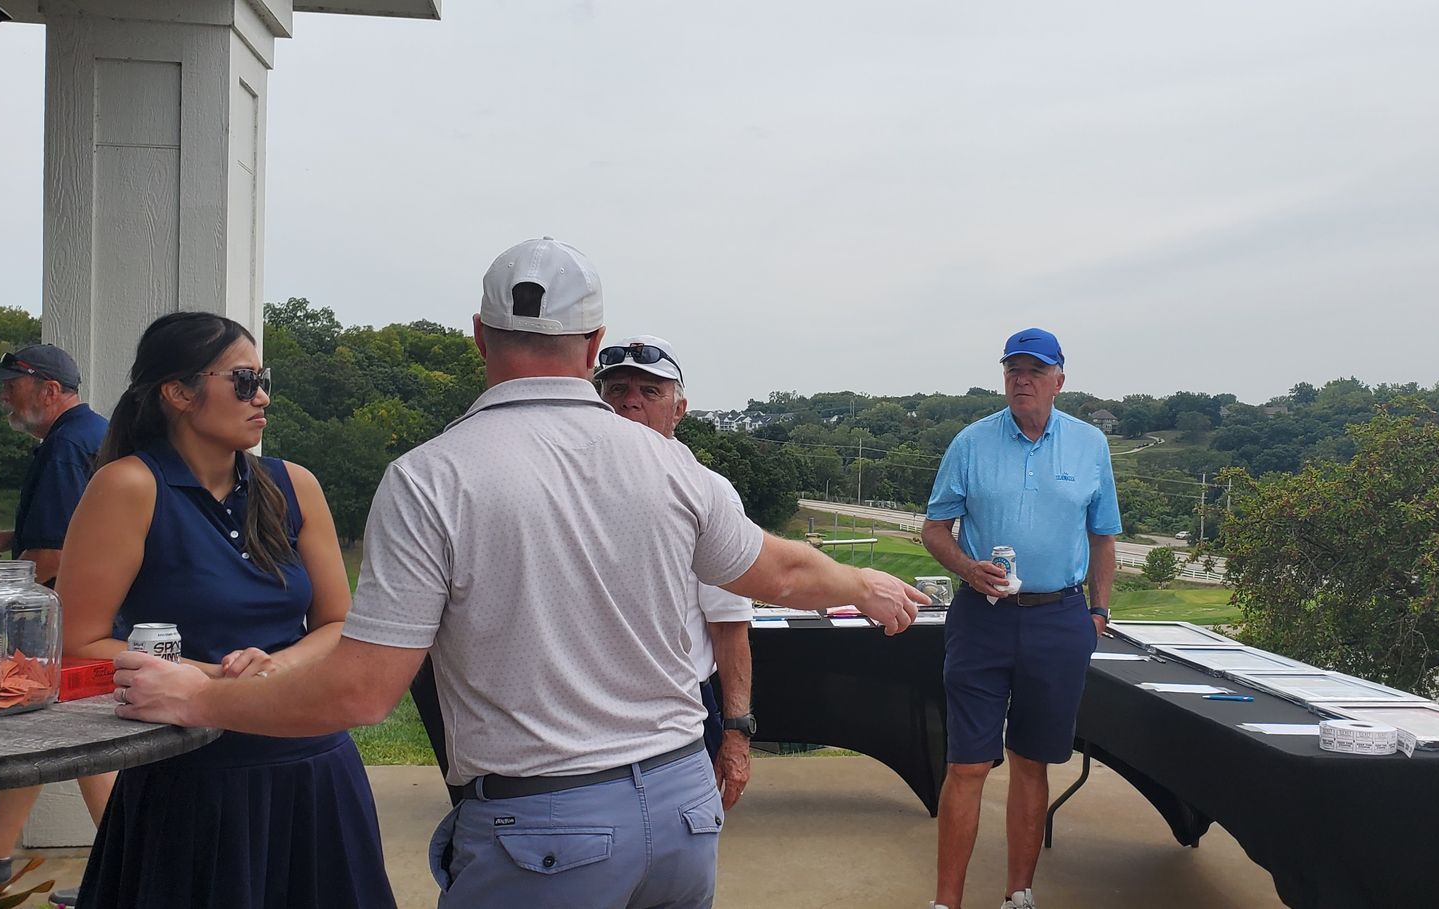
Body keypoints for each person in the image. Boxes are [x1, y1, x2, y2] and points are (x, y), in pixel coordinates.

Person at [108, 236, 928, 909]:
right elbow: (778, 570)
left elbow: (365, 691)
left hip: (546, 835)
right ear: (595, 346)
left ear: (478, 335)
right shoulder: (674, 467)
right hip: (682, 811)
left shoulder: (433, 477)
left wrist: (203, 696)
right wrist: (864, 584)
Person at [55, 312, 394, 908]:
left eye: (262, 379)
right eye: (242, 381)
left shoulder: (294, 484)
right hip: (192, 771)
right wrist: (215, 677)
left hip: (313, 763)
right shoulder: (129, 486)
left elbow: (339, 623)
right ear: (179, 392)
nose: (261, 395)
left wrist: (273, 670)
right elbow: (79, 641)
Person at [921, 328, 1121, 909]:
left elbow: (1103, 537)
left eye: (1034, 370)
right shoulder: (971, 443)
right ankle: (946, 903)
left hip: (1059, 618)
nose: (1021, 380)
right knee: (967, 764)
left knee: (1031, 762)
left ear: (1060, 379)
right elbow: (935, 528)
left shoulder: (1090, 446)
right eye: (1013, 370)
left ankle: (1018, 894)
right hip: (981, 617)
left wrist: (1098, 611)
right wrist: (965, 566)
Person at [0, 345, 113, 906]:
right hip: (86, 612)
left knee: (82, 744)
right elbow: (78, 526)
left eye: (11, 384)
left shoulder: (64, 447)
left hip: (64, 617)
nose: (2, 395)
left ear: (49, 389)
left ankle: (126, 872)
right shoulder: (90, 434)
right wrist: (12, 541)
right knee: (33, 731)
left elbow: (58, 554)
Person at [596, 334, 757, 809]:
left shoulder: (709, 493)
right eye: (617, 389)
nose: (630, 403)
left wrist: (736, 735)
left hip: (678, 713)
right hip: (585, 719)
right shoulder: (560, 486)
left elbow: (729, 627)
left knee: (676, 868)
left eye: (650, 392)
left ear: (679, 409)